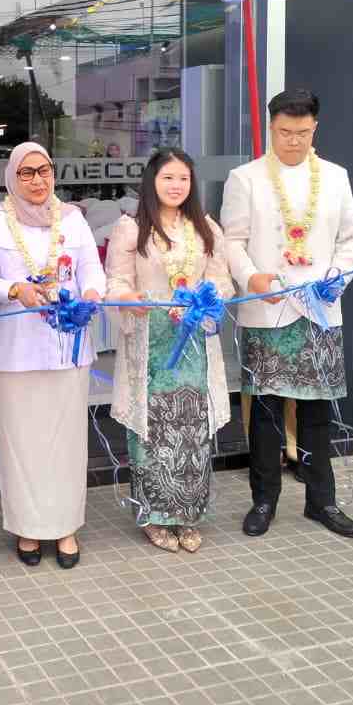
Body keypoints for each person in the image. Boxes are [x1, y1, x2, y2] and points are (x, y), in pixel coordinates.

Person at [219, 89, 353, 540]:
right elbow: (232, 241)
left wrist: (335, 279)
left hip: (319, 310)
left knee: (317, 412)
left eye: (302, 132)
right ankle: (264, 499)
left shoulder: (336, 177)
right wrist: (251, 278)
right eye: (285, 132)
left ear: (314, 128)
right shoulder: (245, 178)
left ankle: (322, 501)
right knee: (264, 413)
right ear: (271, 127)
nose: (294, 141)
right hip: (268, 311)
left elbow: (352, 240)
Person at [0, 142, 106, 568]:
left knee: (66, 441)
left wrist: (92, 294)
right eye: (27, 172)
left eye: (43, 170)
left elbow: (91, 269)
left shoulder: (73, 219)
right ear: (13, 176)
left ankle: (65, 527)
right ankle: (27, 528)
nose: (36, 180)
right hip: (16, 352)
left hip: (67, 348)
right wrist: (15, 290)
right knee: (21, 443)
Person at [105, 149, 233, 553]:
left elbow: (223, 282)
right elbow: (115, 283)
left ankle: (189, 514)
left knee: (191, 429)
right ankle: (154, 516)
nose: (176, 186)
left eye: (183, 178)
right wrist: (129, 299)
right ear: (152, 181)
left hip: (193, 344)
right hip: (150, 345)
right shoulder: (131, 228)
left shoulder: (206, 227)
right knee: (153, 430)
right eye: (168, 178)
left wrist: (203, 298)